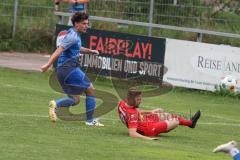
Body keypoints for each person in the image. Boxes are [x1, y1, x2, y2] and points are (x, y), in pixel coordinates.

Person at [41, 12, 103, 126]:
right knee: (90, 89)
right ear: (76, 24)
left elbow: (77, 47)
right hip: (69, 69)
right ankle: (90, 121)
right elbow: (59, 50)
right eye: (84, 23)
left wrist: (90, 51)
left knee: (75, 99)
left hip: (63, 71)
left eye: (87, 23)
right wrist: (48, 64)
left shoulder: (74, 34)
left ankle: (55, 104)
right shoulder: (72, 36)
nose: (86, 26)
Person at [118, 87, 201, 140]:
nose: (141, 101)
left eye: (140, 98)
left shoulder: (122, 103)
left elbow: (136, 111)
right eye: (138, 99)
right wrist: (148, 139)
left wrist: (151, 111)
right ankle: (160, 129)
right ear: (132, 99)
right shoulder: (132, 115)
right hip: (148, 129)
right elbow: (132, 133)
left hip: (145, 121)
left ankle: (190, 123)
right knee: (175, 121)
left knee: (167, 115)